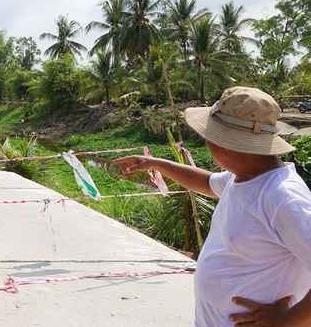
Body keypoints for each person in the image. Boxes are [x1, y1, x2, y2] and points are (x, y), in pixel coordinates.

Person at [114, 86, 311, 326]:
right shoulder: (244, 176)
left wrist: (290, 319)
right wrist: (157, 163)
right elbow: (206, 182)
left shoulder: (283, 197)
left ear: (226, 143)